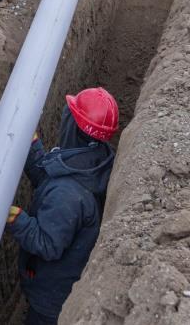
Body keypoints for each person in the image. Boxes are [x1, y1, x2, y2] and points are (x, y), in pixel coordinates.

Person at [6, 88, 119, 325]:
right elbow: (52, 181)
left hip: (52, 298)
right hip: (66, 281)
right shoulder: (93, 162)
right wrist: (34, 148)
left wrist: (17, 220)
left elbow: (48, 243)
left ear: (73, 127)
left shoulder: (68, 195)